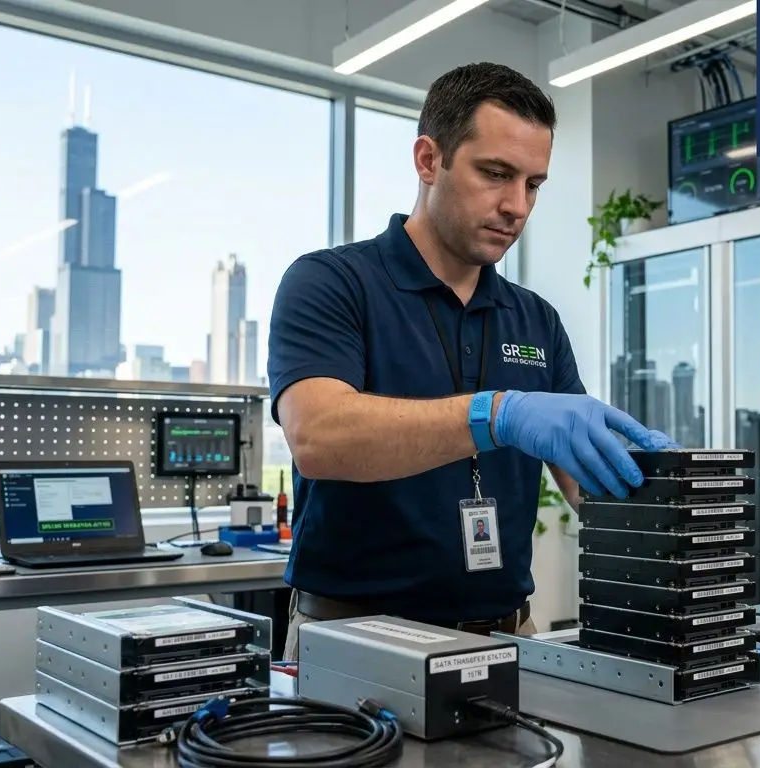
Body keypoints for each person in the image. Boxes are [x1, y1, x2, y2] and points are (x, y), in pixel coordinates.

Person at [267, 62, 673, 660]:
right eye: (495, 174)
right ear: (429, 161)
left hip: (509, 638)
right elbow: (319, 437)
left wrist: (676, 502)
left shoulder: (535, 319)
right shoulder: (331, 283)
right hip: (355, 639)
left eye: (533, 184)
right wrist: (496, 416)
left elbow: (588, 486)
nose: (517, 206)